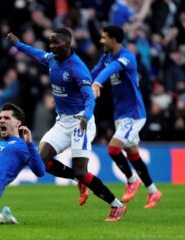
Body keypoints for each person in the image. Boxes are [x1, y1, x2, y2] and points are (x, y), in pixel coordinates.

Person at [7, 28, 127, 221]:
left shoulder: (77, 68)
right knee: (39, 161)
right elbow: (37, 54)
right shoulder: (52, 58)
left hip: (81, 121)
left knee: (81, 170)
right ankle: (78, 179)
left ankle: (117, 205)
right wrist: (18, 44)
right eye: (51, 42)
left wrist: (87, 116)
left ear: (68, 44)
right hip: (63, 122)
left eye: (57, 43)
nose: (53, 46)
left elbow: (89, 97)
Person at [91, 25, 162, 208]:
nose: (101, 41)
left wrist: (99, 82)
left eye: (104, 37)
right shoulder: (106, 57)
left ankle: (131, 180)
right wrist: (80, 85)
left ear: (113, 39)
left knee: (113, 149)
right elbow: (94, 72)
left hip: (134, 114)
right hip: (121, 114)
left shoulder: (127, 56)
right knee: (133, 155)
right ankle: (153, 191)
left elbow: (111, 69)